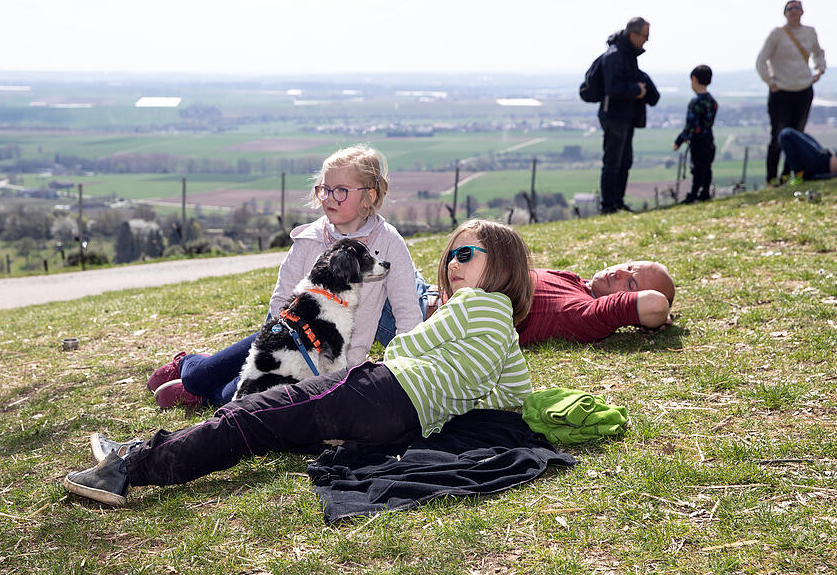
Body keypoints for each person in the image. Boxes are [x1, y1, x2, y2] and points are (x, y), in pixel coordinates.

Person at [63, 220, 535, 506]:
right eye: (452, 252)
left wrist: (431, 330)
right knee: (277, 426)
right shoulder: (506, 330)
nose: (454, 262)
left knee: (252, 417)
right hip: (400, 424)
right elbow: (514, 393)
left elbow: (405, 349)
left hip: (376, 389)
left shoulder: (470, 306)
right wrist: (458, 383)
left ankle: (130, 467)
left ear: (503, 266)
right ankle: (142, 449)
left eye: (467, 254)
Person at [148, 145, 424, 408]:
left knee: (239, 397)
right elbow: (281, 299)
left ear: (370, 196)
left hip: (328, 363)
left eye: (341, 191)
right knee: (200, 377)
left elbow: (407, 313)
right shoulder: (310, 238)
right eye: (325, 189)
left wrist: (399, 371)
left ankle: (204, 394)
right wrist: (271, 349)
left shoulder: (389, 244)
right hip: (283, 340)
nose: (329, 198)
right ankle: (189, 365)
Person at [516, 261, 674, 345]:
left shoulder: (586, 313)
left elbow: (655, 304)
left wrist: (657, 316)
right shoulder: (580, 285)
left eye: (631, 284)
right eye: (629, 266)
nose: (618, 272)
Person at [756, 0, 826, 186]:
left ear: (802, 11)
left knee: (797, 136)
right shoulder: (777, 34)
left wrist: (819, 70)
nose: (794, 11)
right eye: (790, 9)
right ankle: (771, 179)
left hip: (803, 90)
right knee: (778, 136)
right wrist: (770, 81)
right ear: (785, 13)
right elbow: (761, 60)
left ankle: (788, 176)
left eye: (797, 8)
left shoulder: (810, 32)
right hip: (781, 92)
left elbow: (819, 53)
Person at [598, 16, 660, 214]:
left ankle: (617, 202)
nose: (647, 40)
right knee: (612, 163)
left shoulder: (627, 55)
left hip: (626, 117)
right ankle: (608, 205)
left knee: (624, 162)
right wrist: (637, 90)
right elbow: (612, 87)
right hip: (614, 116)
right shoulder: (616, 56)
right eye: (645, 36)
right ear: (634, 35)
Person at [672, 65, 718, 203]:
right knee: (707, 167)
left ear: (694, 79)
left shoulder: (695, 102)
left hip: (698, 141)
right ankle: (705, 192)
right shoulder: (712, 102)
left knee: (697, 168)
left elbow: (690, 126)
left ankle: (693, 194)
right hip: (709, 139)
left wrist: (678, 141)